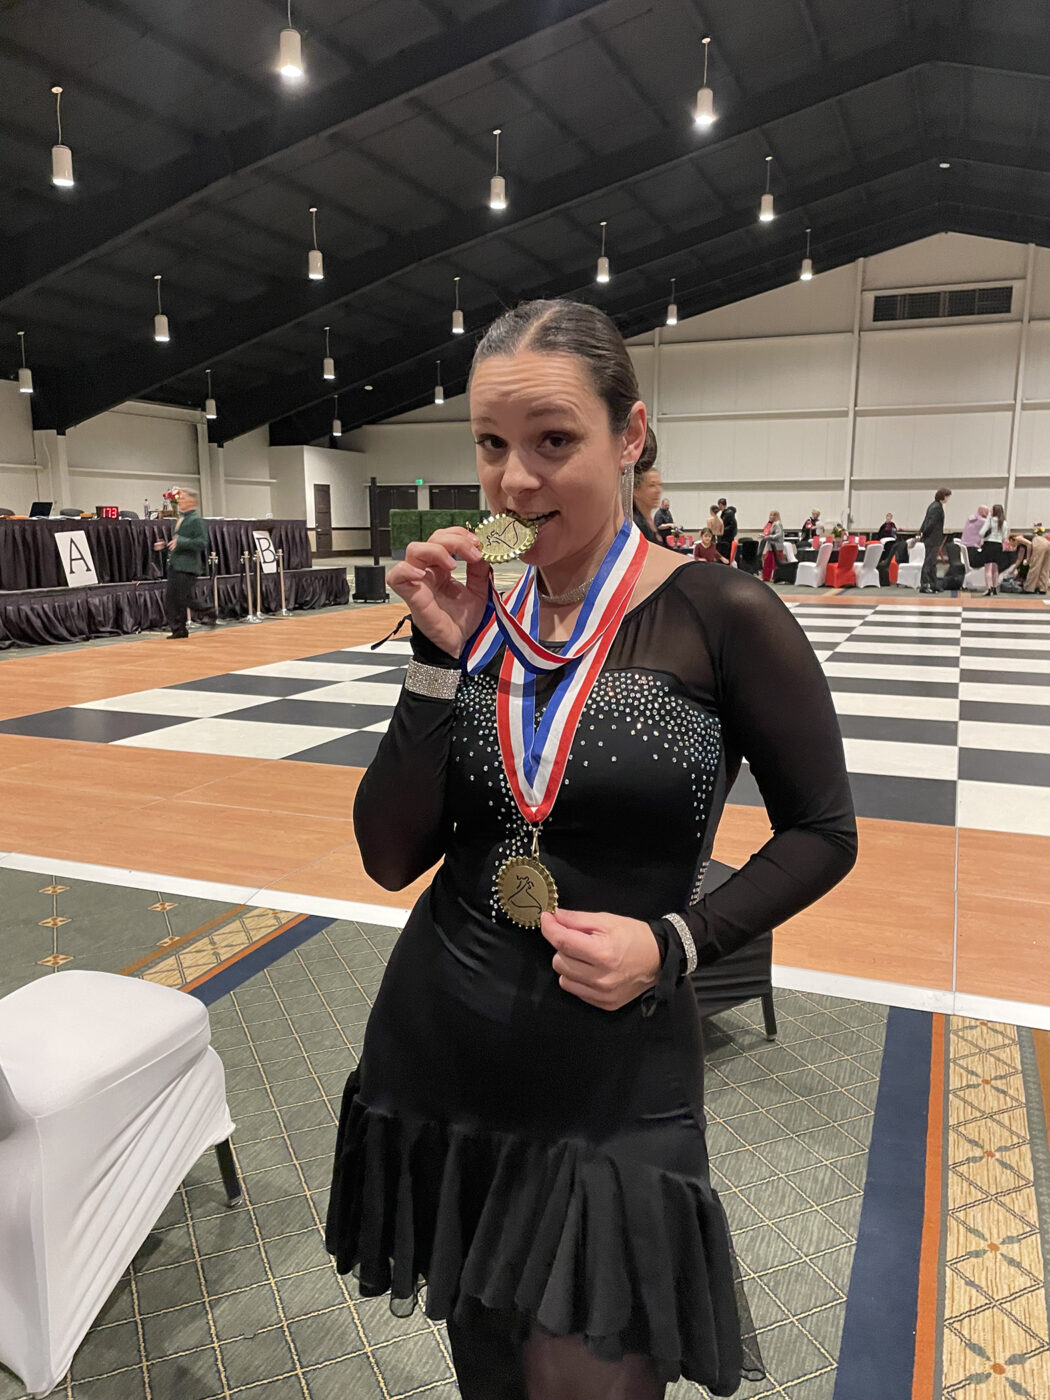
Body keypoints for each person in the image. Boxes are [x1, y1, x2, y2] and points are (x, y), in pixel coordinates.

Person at [326, 298, 858, 1400]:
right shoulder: (485, 617)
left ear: (630, 435)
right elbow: (389, 852)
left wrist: (676, 939)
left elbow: (824, 830)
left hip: (614, 1078)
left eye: (554, 440)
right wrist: (435, 657)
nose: (515, 482)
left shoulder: (723, 612)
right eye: (490, 444)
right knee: (486, 1369)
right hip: (444, 1048)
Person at [153, 488, 215, 638]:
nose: (179, 501)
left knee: (181, 598)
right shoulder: (182, 519)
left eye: (183, 499)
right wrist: (166, 546)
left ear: (191, 501)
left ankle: (207, 610)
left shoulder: (196, 520)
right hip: (176, 564)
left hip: (188, 566)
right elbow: (179, 543)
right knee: (172, 599)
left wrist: (181, 541)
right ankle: (179, 629)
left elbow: (202, 542)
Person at [631, 427, 665, 546]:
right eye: (651, 485)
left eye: (659, 485)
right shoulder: (634, 525)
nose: (658, 491)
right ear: (636, 491)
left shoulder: (651, 522)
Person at [917, 487, 951, 594]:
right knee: (929, 562)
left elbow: (925, 520)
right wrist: (924, 532)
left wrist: (922, 531)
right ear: (944, 496)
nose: (948, 499)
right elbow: (930, 523)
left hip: (931, 538)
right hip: (932, 538)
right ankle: (925, 585)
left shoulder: (934, 505)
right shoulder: (937, 508)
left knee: (932, 563)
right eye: (948, 496)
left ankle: (933, 584)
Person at [979, 503, 1007, 596]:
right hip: (998, 545)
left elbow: (981, 532)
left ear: (994, 511)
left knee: (988, 569)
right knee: (995, 568)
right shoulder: (1004, 522)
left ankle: (988, 588)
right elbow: (1004, 537)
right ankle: (995, 588)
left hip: (989, 544)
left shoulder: (990, 520)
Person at [758, 509, 785, 582]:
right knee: (767, 562)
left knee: (776, 564)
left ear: (776, 516)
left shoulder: (777, 524)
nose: (770, 517)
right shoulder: (770, 524)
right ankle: (765, 577)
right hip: (771, 547)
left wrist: (767, 537)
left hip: (776, 547)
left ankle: (777, 577)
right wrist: (764, 535)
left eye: (773, 515)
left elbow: (778, 535)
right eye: (770, 515)